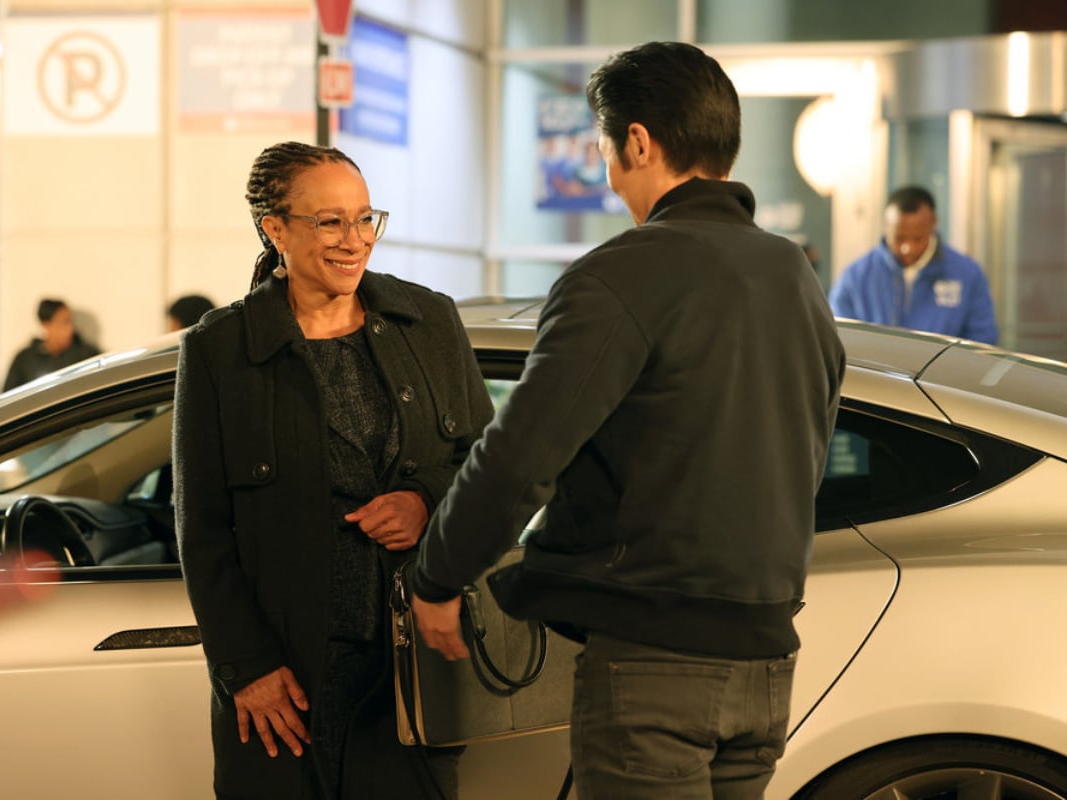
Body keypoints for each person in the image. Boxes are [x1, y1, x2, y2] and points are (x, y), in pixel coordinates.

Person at [408, 41, 846, 800]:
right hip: (767, 660)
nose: (610, 173)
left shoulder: (621, 273)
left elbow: (521, 454)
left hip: (657, 662)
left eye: (607, 149)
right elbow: (812, 433)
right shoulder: (790, 273)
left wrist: (437, 575)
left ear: (637, 142)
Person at [173, 141, 493, 800]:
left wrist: (426, 499)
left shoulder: (428, 321)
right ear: (276, 229)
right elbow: (203, 530)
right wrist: (248, 668)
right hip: (286, 681)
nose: (355, 240)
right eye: (330, 222)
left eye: (365, 218)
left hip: (407, 670)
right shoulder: (220, 350)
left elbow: (488, 465)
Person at [829, 185, 999, 343]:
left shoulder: (967, 274)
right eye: (898, 238)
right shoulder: (856, 277)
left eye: (917, 239)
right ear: (885, 227)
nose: (907, 248)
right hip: (874, 375)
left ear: (933, 224)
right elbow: (838, 338)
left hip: (942, 375)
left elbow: (982, 341)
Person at [1, 298, 101, 391]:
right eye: (64, 322)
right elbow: (8, 398)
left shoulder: (86, 355)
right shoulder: (25, 360)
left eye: (70, 322)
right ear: (46, 324)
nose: (70, 329)